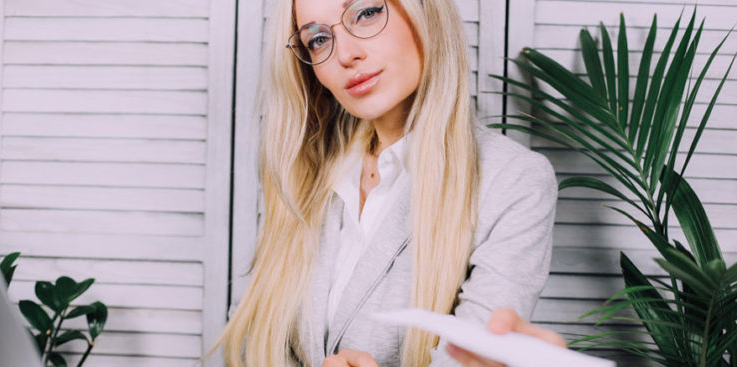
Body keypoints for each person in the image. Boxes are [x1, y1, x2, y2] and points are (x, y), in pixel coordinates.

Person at [215, 0, 560, 366]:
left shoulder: (512, 182)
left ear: (424, 11)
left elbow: (473, 357)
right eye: (317, 39)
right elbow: (249, 341)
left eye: (366, 13)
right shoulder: (305, 172)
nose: (345, 55)